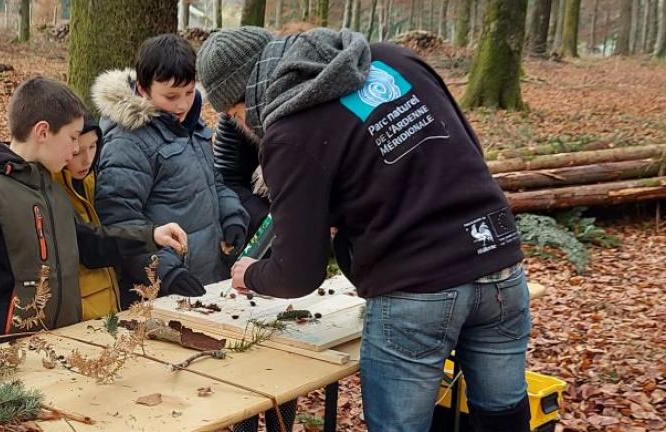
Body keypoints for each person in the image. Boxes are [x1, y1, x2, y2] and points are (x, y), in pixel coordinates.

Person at [197, 27, 531, 432]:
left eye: (233, 114)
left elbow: (298, 272)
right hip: (499, 262)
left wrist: (249, 272)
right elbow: (464, 152)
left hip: (415, 287)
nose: (242, 126)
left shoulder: (289, 132)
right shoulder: (393, 59)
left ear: (247, 95)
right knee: (504, 415)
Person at [0, 77, 187, 355]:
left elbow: (88, 243)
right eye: (72, 137)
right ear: (42, 132)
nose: (76, 149)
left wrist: (149, 235)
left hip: (62, 350)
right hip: (8, 360)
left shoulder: (52, 190)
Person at [92, 34, 249, 305]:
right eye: (171, 96)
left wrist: (232, 216)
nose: (182, 105)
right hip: (160, 291)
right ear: (143, 89)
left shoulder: (190, 125)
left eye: (189, 93)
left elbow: (215, 182)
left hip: (207, 278)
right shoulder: (126, 142)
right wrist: (166, 272)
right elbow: (120, 220)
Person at [54, 113, 128, 320]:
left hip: (110, 305)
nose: (87, 159)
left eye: (93, 147)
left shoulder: (93, 181)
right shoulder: (50, 189)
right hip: (81, 315)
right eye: (77, 152)